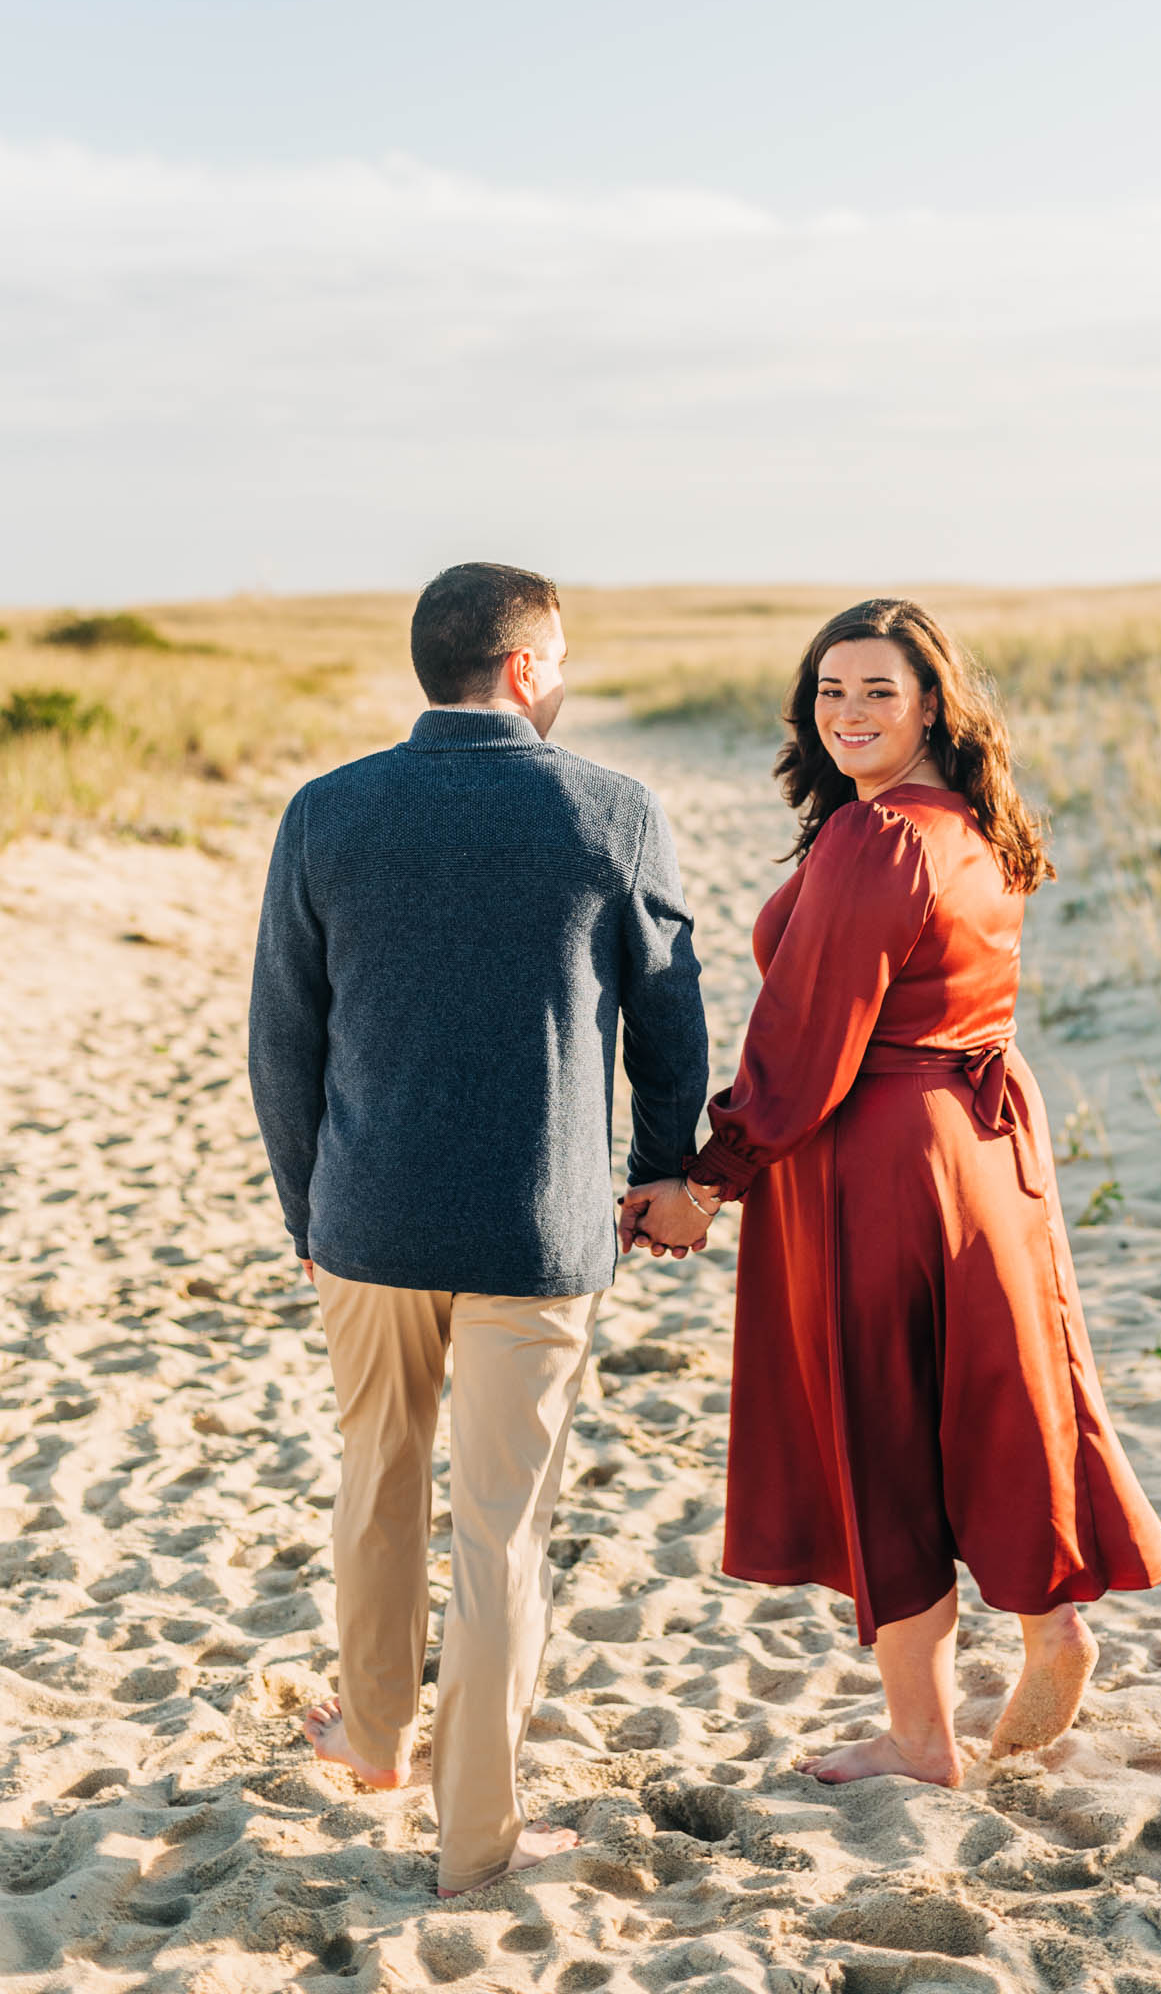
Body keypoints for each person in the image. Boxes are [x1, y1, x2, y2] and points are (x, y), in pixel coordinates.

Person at [621, 597, 1161, 1788]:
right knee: (994, 1392)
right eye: (831, 691)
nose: (850, 712)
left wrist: (709, 1180)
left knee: (884, 1422)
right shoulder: (972, 824)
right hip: (982, 1160)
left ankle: (923, 1738)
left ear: (932, 701)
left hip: (881, 1162)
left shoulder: (878, 841)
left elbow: (806, 1041)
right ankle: (1051, 1623)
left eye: (878, 689)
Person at [249, 561, 709, 1893]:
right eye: (556, 659)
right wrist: (660, 1170)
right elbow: (668, 1023)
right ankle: (474, 1840)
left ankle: (380, 1740)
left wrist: (307, 1208)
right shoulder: (611, 811)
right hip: (536, 1232)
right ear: (521, 668)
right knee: (500, 1531)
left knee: (376, 1480)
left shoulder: (325, 812)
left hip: (367, 1225)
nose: (562, 680)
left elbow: (283, 1041)